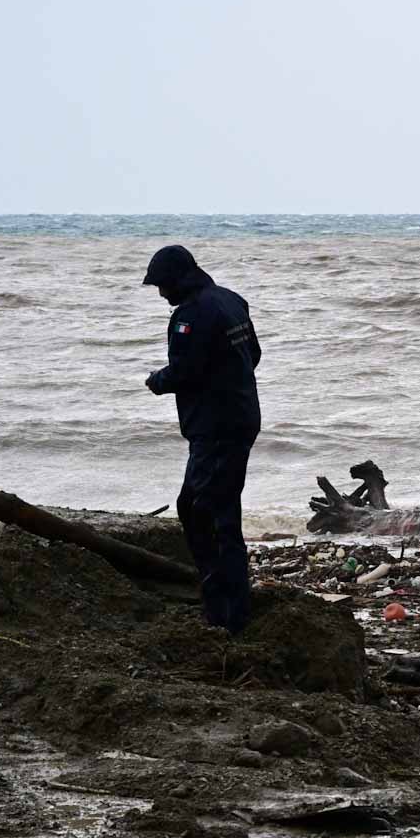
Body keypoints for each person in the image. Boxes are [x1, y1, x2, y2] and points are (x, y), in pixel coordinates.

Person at [141, 245, 263, 633]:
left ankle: (224, 614)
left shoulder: (190, 317)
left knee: (205, 514)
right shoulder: (231, 301)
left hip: (216, 429)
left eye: (162, 286)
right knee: (212, 510)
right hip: (240, 418)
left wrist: (157, 381)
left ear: (178, 279)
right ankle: (230, 606)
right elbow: (253, 354)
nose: (161, 294)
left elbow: (184, 372)